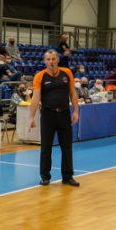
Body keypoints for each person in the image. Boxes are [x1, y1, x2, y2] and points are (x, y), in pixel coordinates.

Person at [28, 49, 80, 186]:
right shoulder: (40, 76)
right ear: (45, 61)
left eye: (53, 59)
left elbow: (73, 94)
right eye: (48, 59)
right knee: (46, 147)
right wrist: (31, 117)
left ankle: (67, 177)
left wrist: (76, 111)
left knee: (67, 147)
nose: (51, 62)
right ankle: (45, 176)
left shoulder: (67, 73)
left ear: (57, 60)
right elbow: (35, 98)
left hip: (64, 114)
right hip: (47, 114)